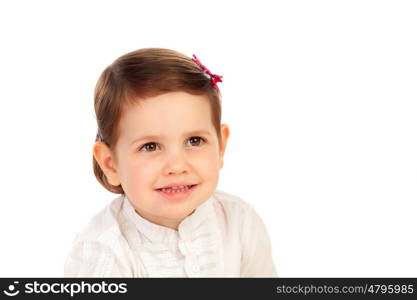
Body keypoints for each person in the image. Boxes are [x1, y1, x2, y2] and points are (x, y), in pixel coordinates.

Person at [64, 48, 277, 277]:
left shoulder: (240, 223)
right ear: (110, 164)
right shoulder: (103, 252)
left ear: (220, 147)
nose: (177, 166)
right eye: (150, 146)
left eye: (194, 141)